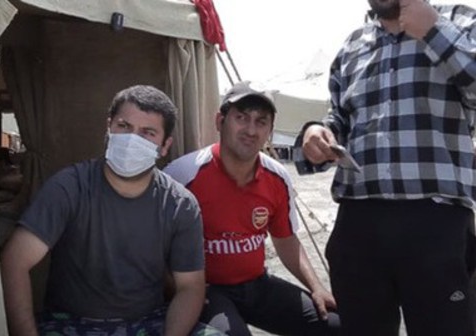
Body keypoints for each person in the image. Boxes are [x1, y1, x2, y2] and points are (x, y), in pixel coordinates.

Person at [296, 0, 476, 334]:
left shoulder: (460, 21)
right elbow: (340, 117)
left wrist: (433, 30)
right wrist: (317, 134)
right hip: (359, 222)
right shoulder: (352, 45)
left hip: (435, 220)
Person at [0, 85, 222, 336]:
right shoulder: (69, 187)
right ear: (109, 128)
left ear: (164, 145)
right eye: (124, 126)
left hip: (148, 321)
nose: (131, 140)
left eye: (147, 132)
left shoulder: (180, 204)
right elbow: (15, 262)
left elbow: (190, 287)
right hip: (70, 323)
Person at [164, 81, 340, 335]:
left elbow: (287, 241)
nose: (250, 129)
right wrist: (176, 290)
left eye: (261, 122)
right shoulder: (183, 175)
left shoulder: (276, 177)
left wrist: (317, 287)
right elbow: (152, 243)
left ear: (270, 131)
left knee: (337, 325)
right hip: (206, 289)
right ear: (219, 121)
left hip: (257, 285)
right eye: (241, 118)